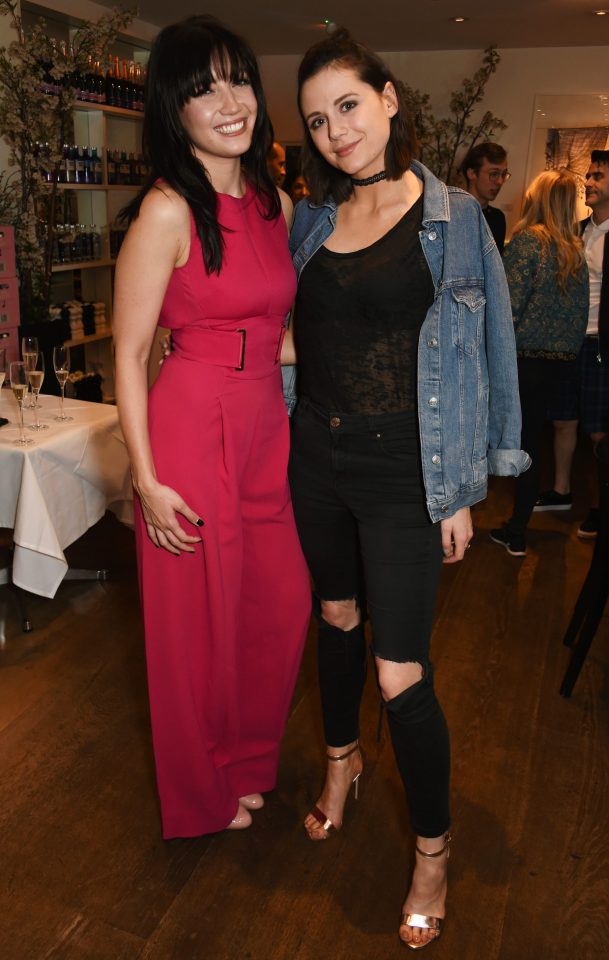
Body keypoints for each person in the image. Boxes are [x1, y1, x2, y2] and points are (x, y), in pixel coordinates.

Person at [282, 29, 529, 949]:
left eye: (347, 104)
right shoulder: (311, 221)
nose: (335, 129)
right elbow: (307, 336)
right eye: (316, 119)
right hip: (316, 459)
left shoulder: (457, 216)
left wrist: (468, 485)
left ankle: (432, 849)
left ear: (388, 99)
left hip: (407, 473)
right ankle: (340, 768)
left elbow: (491, 347)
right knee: (338, 622)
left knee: (401, 673)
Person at [113, 15, 310, 840]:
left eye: (236, 81)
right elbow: (127, 353)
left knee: (276, 602)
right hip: (193, 420)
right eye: (202, 90)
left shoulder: (276, 202)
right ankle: (201, 789)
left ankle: (243, 759)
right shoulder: (165, 210)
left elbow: (281, 321)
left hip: (267, 414)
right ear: (175, 110)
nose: (227, 103)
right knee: (194, 622)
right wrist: (147, 478)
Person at [489, 169, 589, 557]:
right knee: (531, 444)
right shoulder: (574, 248)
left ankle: (515, 531)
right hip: (559, 364)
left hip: (522, 361)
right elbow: (579, 315)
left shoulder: (529, 242)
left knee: (513, 443)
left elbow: (506, 308)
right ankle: (517, 526)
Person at [534, 150, 609, 539]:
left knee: (599, 432)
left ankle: (600, 506)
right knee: (563, 420)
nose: (589, 183)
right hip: (567, 343)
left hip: (601, 345)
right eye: (589, 176)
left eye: (598, 176)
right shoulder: (575, 231)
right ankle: (560, 491)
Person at [460, 141, 510, 254]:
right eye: (494, 174)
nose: (500, 181)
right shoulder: (453, 214)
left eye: (503, 174)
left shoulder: (498, 218)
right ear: (472, 173)